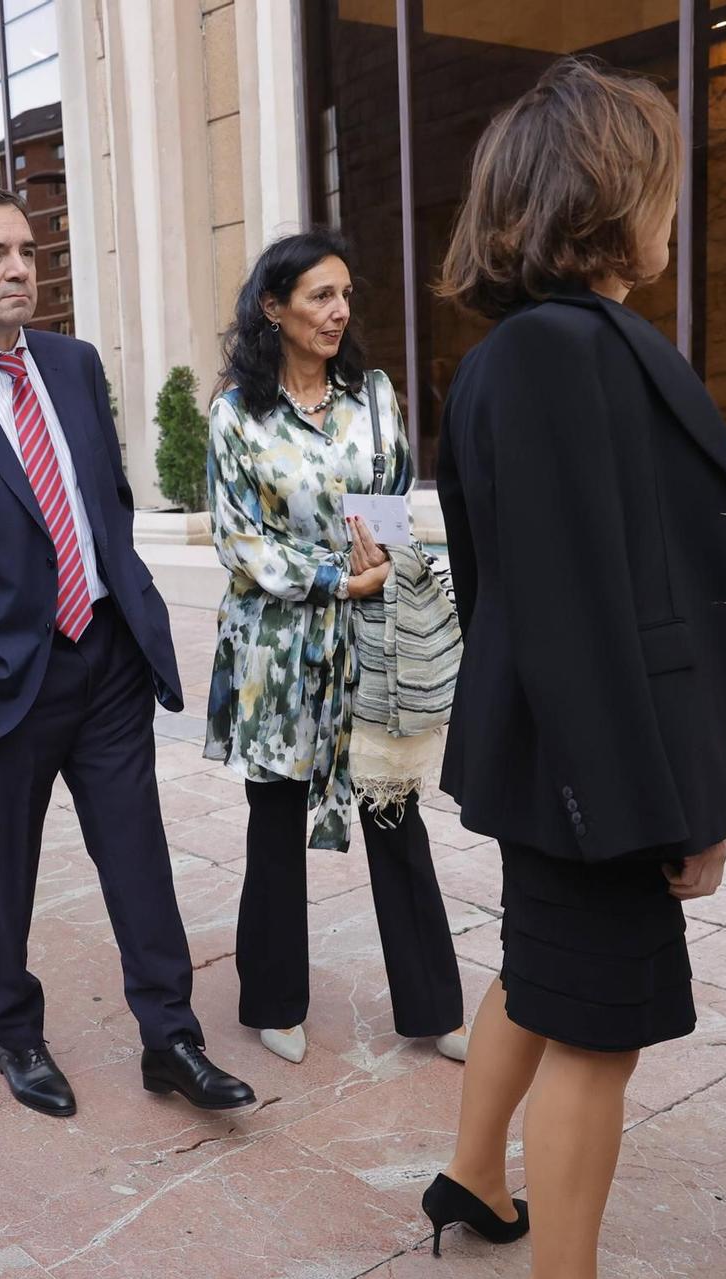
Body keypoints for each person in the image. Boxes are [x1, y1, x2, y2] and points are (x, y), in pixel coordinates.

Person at [428, 59, 726, 1279]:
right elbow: (581, 616)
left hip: (543, 755)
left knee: (537, 969)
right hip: (591, 770)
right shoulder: (561, 354)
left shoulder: (533, 351)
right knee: (596, 1031)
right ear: (608, 194)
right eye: (662, 179)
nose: (676, 205)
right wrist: (664, 810)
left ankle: (467, 1175)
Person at [0, 185, 254, 1118]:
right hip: (1, 682)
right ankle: (15, 1032)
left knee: (138, 855)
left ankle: (171, 1038)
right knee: (5, 869)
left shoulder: (73, 367)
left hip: (104, 656)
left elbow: (100, 499)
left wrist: (130, 607)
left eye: (26, 251)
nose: (19, 268)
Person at [205, 230, 469, 1068]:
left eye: (345, 294)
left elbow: (393, 498)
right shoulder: (236, 414)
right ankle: (274, 998)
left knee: (394, 813)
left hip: (371, 639)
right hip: (279, 650)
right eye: (320, 295)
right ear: (273, 307)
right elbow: (237, 538)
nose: (340, 310)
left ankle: (434, 1005)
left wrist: (384, 562)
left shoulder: (375, 394)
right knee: (274, 821)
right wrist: (330, 576)